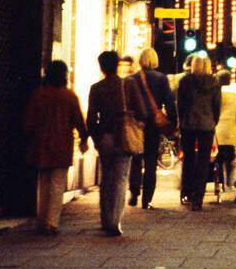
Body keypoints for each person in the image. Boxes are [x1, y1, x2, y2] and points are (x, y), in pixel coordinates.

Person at [23, 59, 88, 235]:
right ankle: (52, 222)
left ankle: (41, 219)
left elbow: (28, 121)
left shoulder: (39, 94)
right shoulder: (69, 96)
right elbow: (79, 121)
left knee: (43, 183)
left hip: (41, 144)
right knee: (57, 184)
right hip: (61, 145)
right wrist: (84, 137)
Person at [87, 51, 146, 236]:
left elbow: (90, 118)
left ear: (102, 67)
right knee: (120, 179)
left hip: (105, 136)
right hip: (124, 136)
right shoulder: (128, 85)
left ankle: (105, 219)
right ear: (117, 65)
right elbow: (143, 111)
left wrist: (97, 138)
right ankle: (115, 222)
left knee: (106, 179)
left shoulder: (96, 88)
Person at [127, 47, 176, 209]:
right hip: (153, 125)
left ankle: (134, 191)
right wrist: (172, 123)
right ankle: (146, 199)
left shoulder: (131, 79)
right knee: (150, 161)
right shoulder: (161, 79)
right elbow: (169, 102)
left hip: (135, 124)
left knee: (135, 158)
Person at [177, 51, 221, 210]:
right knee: (203, 161)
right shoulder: (214, 82)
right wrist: (213, 121)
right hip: (207, 125)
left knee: (188, 159)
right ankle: (198, 197)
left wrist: (180, 121)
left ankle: (186, 192)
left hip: (188, 124)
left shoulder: (185, 81)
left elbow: (180, 104)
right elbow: (217, 105)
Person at [215, 70, 236, 191]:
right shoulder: (235, 95)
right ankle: (229, 181)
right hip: (230, 129)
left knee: (218, 157)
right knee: (230, 156)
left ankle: (219, 182)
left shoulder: (215, 94)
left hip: (217, 130)